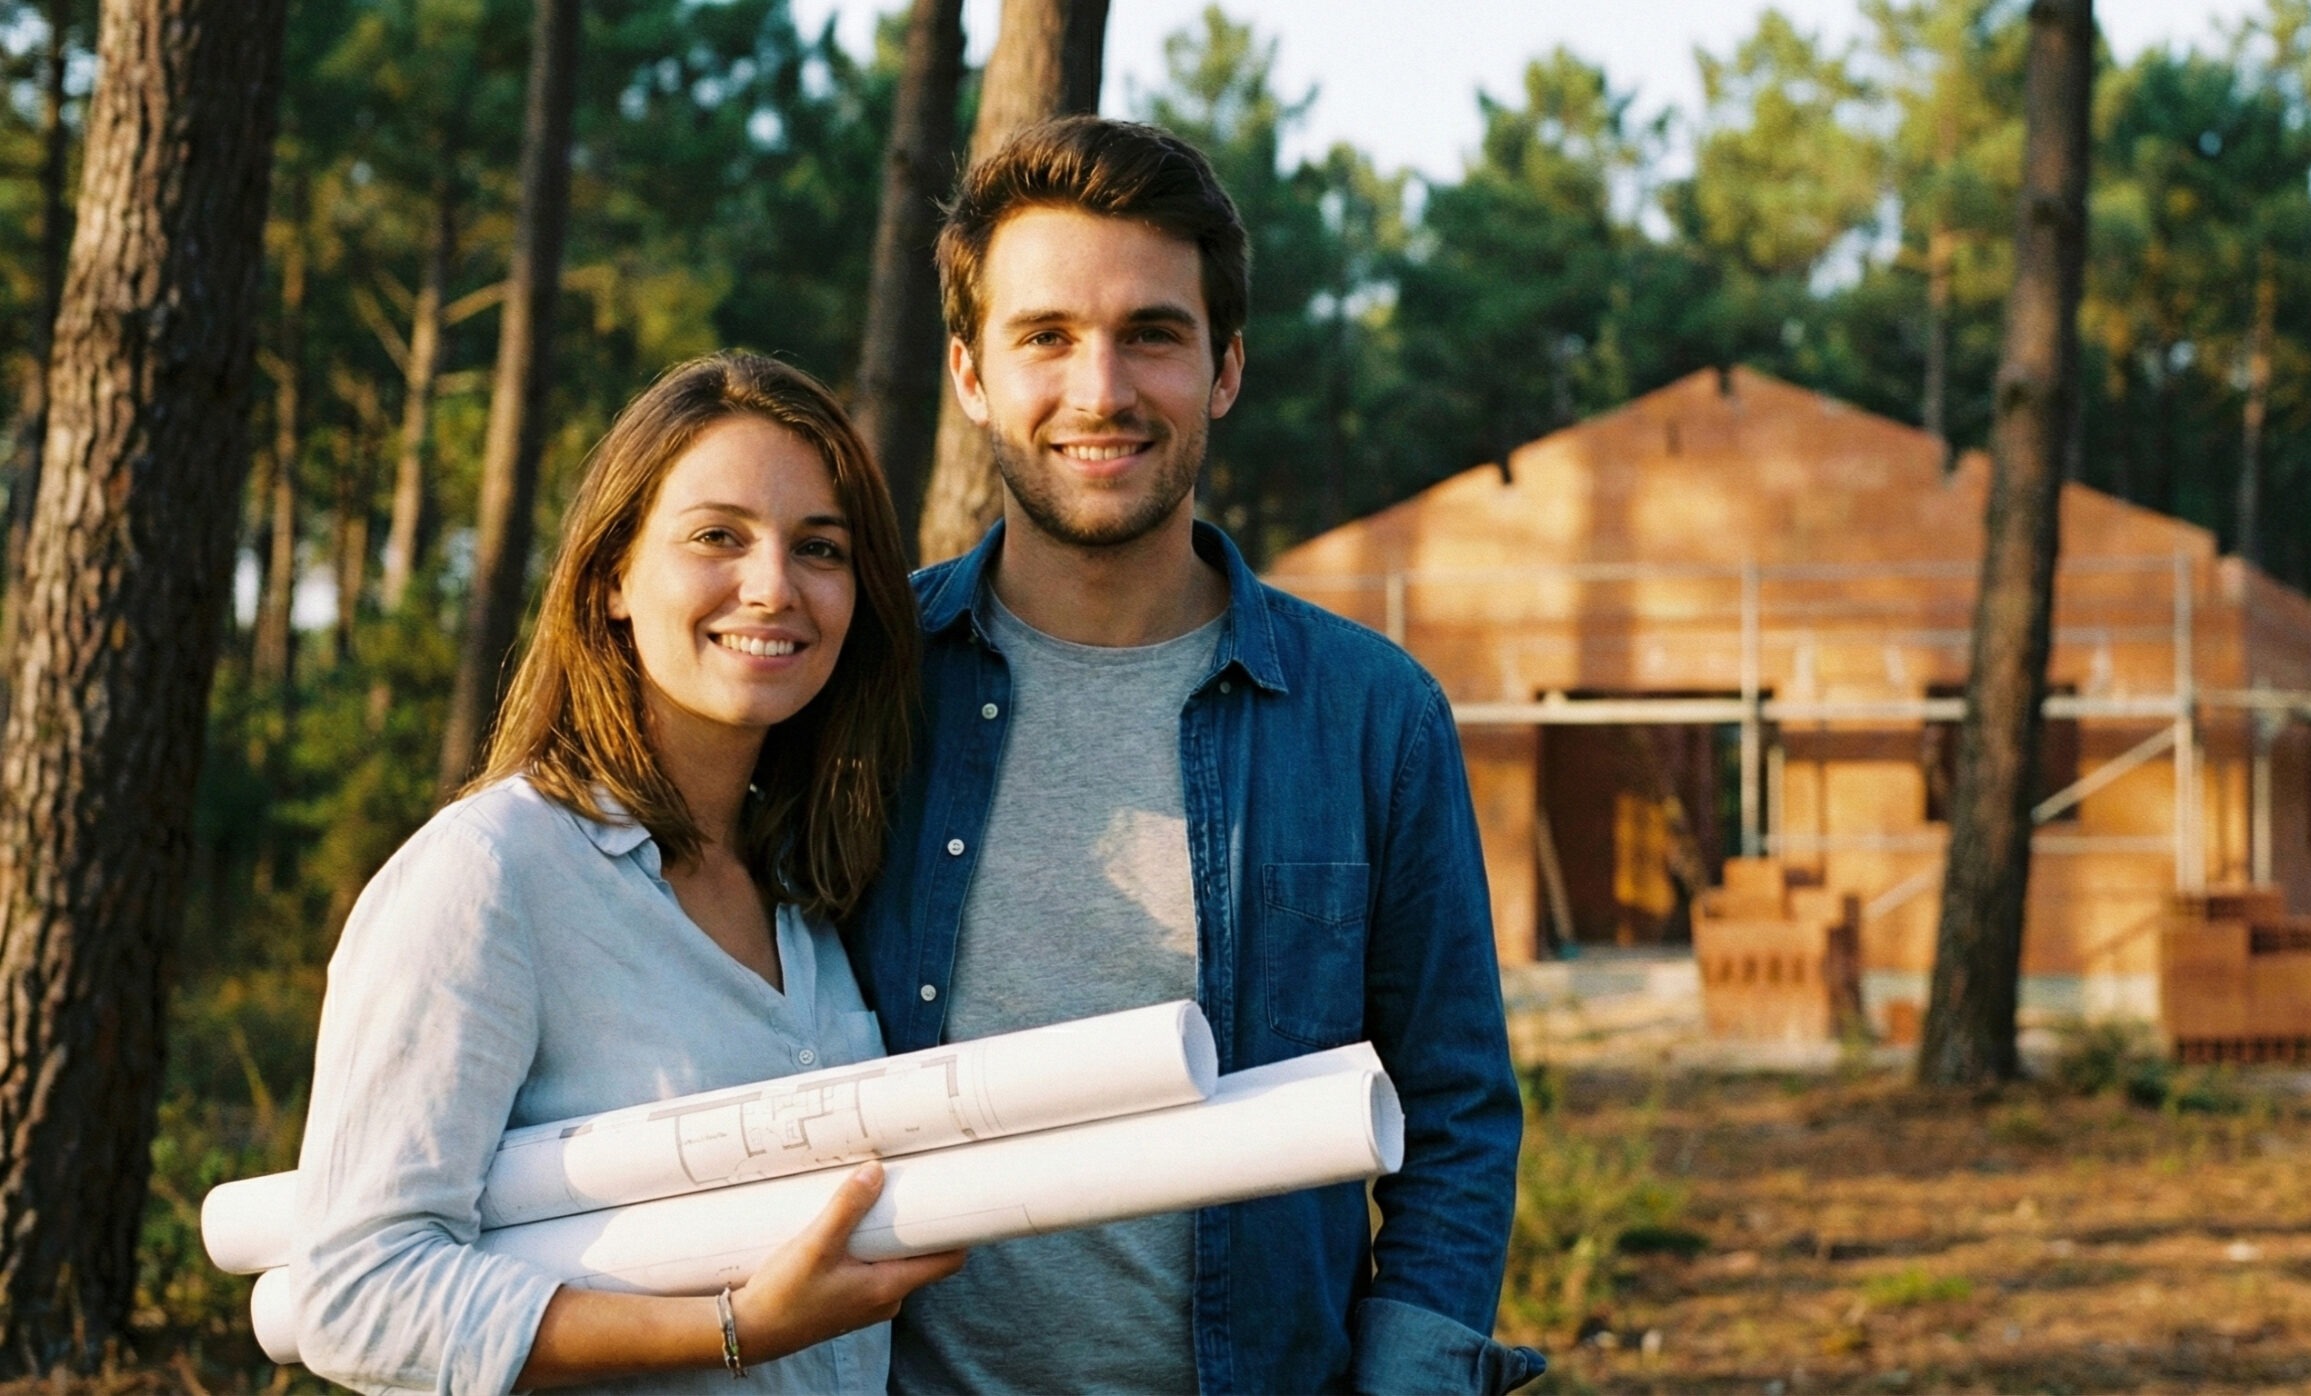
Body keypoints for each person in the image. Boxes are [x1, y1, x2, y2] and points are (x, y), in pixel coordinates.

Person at [852, 117, 1545, 1395]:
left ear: (1224, 368)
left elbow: (1454, 1117)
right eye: (1045, 336)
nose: (1100, 388)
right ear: (968, 375)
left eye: (1152, 335)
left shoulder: (1373, 715)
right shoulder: (858, 689)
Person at [291, 353, 963, 1394]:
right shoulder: (491, 876)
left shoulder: (805, 895)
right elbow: (356, 1292)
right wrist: (731, 1327)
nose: (772, 586)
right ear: (612, 576)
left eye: (818, 548)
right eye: (716, 536)